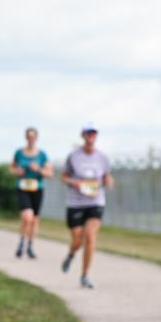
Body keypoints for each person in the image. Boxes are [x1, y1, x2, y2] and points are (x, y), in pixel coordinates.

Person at [60, 123, 113, 288]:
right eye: (88, 133)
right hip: (76, 203)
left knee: (90, 236)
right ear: (82, 135)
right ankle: (70, 255)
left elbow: (107, 177)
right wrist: (75, 183)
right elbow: (64, 177)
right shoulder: (73, 156)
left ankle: (84, 275)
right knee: (78, 241)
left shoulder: (102, 157)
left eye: (93, 133)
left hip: (95, 201)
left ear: (96, 136)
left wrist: (108, 182)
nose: (91, 136)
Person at [10, 126, 53, 258]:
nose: (31, 139)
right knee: (26, 217)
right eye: (29, 136)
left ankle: (30, 246)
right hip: (23, 188)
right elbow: (11, 169)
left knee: (34, 220)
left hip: (37, 188)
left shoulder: (42, 155)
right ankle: (21, 242)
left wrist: (38, 169)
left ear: (36, 138)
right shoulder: (19, 153)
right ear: (26, 138)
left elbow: (49, 173)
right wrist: (18, 171)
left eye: (33, 136)